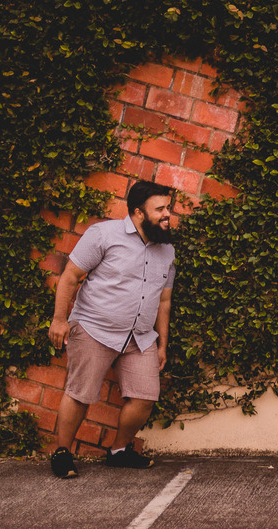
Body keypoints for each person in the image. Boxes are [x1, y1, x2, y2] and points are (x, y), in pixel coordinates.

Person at [47, 181, 176, 479]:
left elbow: (164, 300)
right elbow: (70, 277)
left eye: (168, 208)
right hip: (95, 328)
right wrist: (59, 319)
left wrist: (162, 344)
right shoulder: (104, 235)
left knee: (145, 397)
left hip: (140, 337)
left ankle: (119, 451)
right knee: (79, 393)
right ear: (138, 213)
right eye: (160, 209)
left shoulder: (167, 250)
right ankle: (63, 452)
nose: (168, 214)